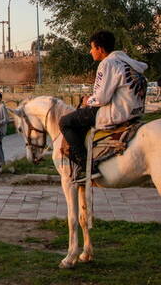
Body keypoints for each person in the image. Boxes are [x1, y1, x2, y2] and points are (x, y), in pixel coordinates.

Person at [58, 30, 148, 182]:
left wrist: (88, 101)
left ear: (100, 48)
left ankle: (87, 167)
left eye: (92, 47)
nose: (90, 51)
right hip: (135, 111)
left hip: (117, 113)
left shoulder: (107, 64)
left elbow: (101, 99)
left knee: (65, 122)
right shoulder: (129, 63)